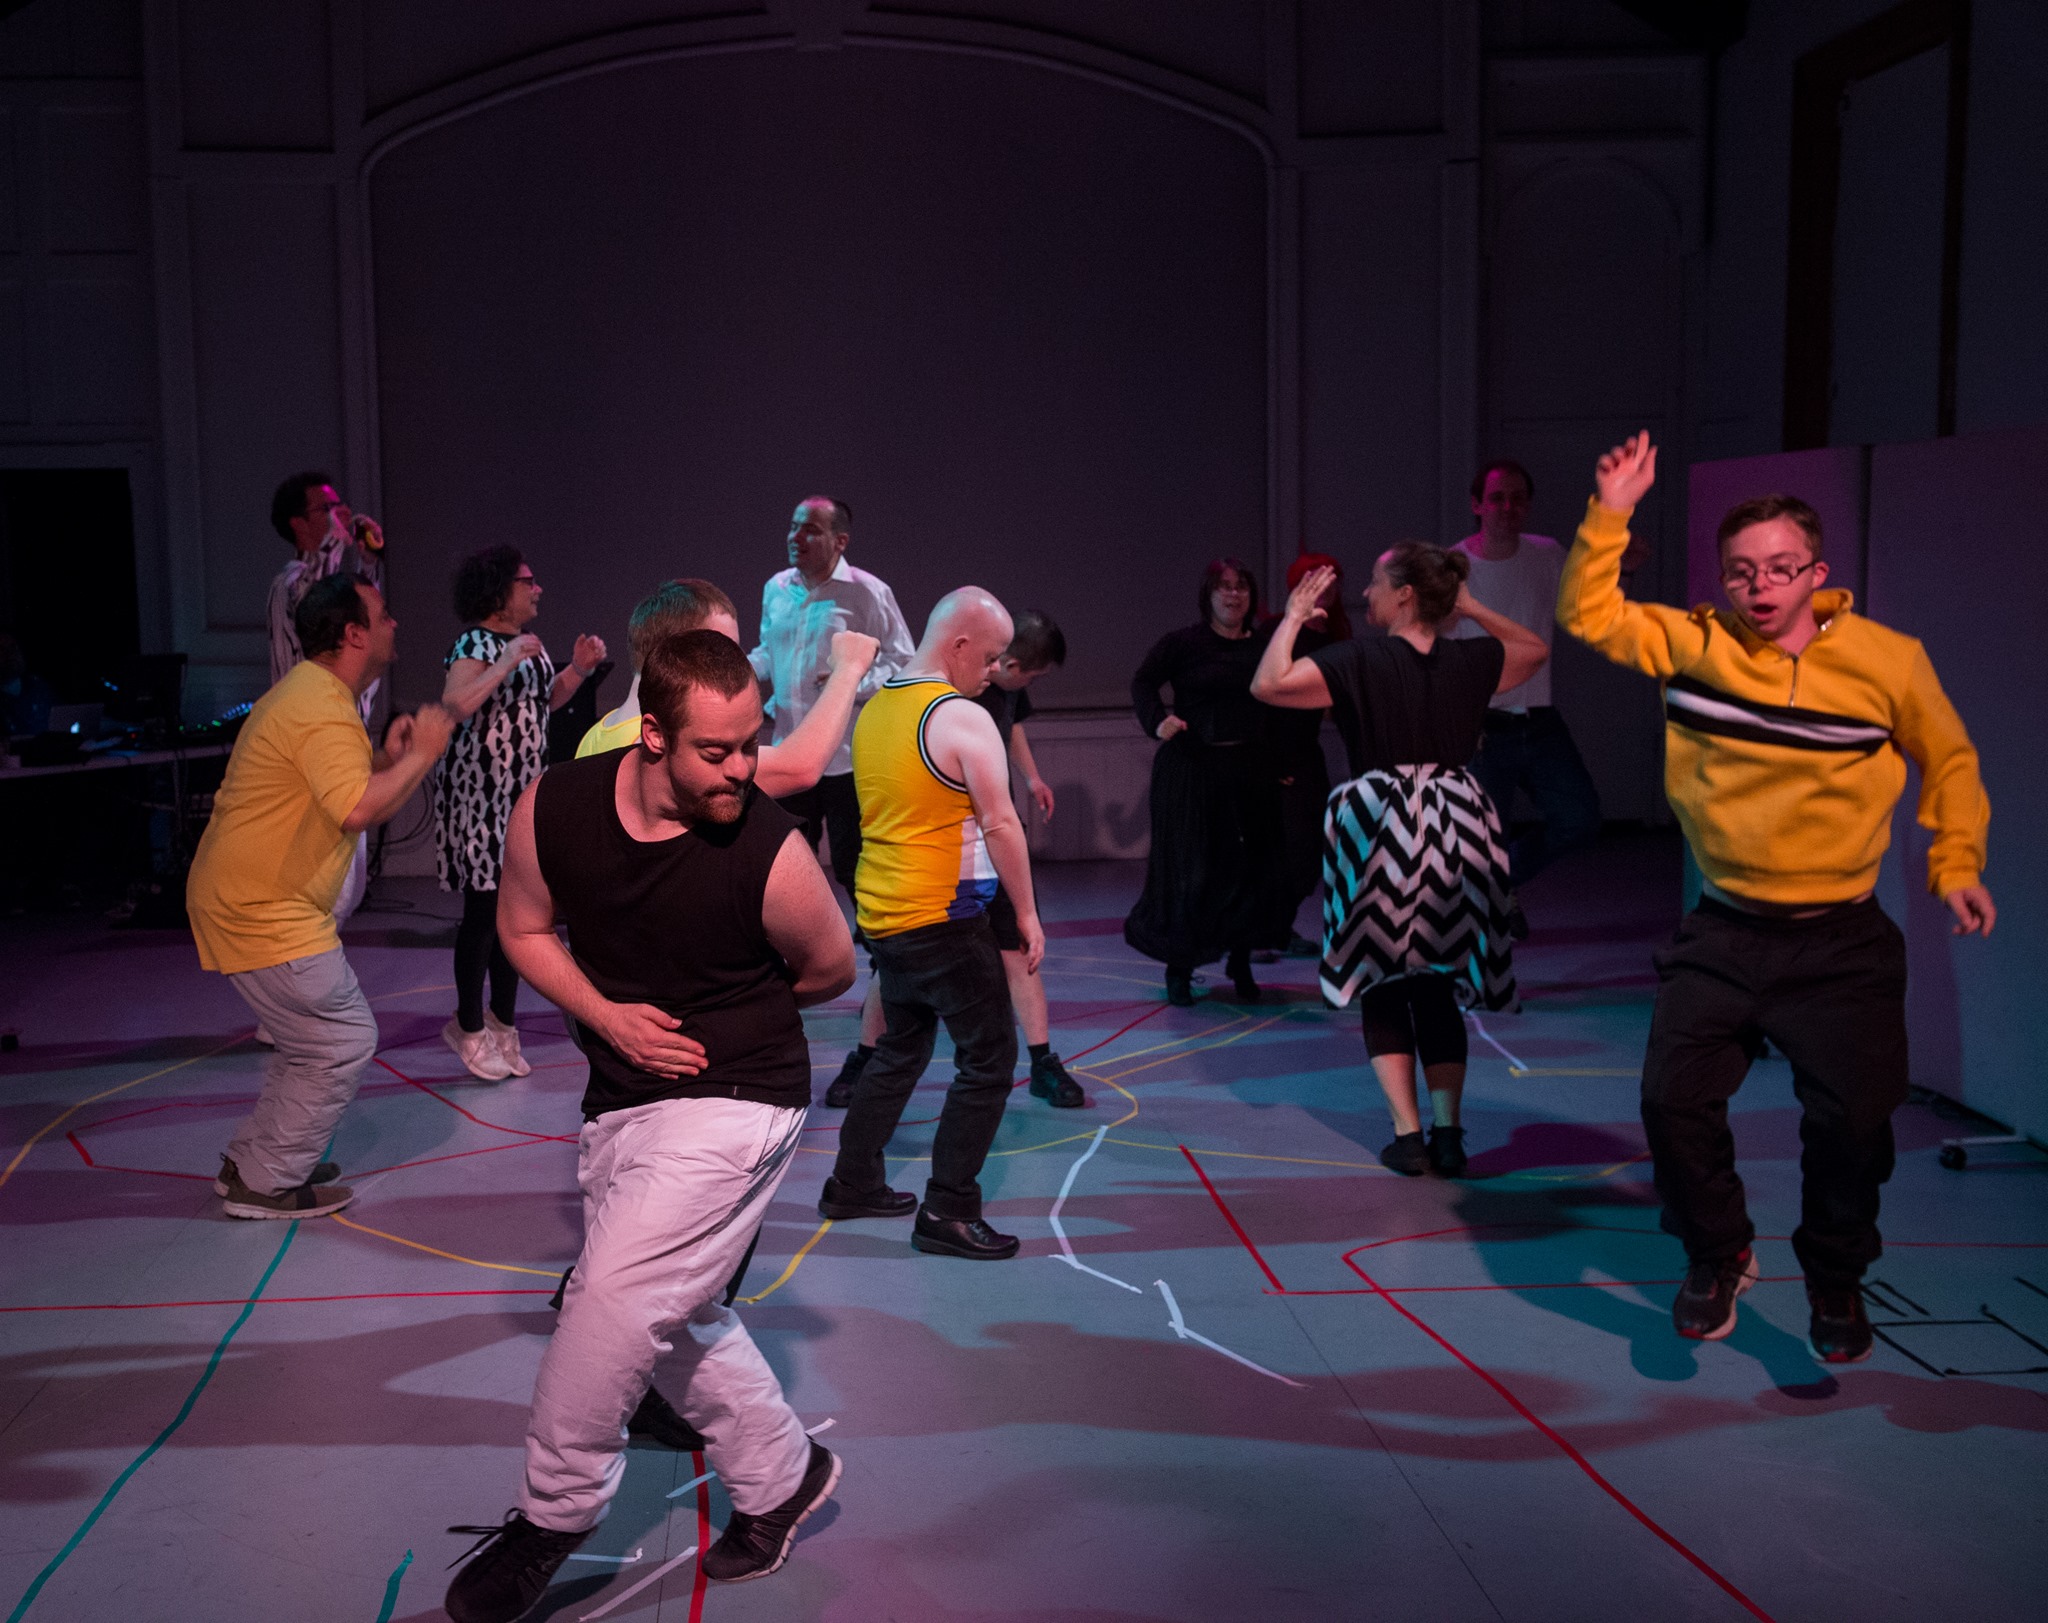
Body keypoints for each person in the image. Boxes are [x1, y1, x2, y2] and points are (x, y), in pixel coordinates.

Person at [443, 631, 853, 1621]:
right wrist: (608, 1015)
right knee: (675, 1315)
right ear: (654, 735)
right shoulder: (557, 806)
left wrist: (727, 1016)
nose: (743, 768)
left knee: (609, 1299)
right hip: (622, 1092)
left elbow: (832, 969)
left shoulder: (769, 850)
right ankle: (783, 1476)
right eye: (718, 750)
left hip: (742, 1093)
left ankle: (554, 1513)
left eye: (751, 742)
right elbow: (523, 929)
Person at [1557, 432, 1993, 1364]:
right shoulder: (1695, 643)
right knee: (1671, 1101)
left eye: (1781, 567)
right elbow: (1589, 613)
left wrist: (1956, 863)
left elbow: (1950, 758)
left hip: (1841, 942)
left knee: (1854, 1127)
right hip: (1725, 929)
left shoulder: (1888, 661)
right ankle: (1719, 1253)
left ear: (1817, 574)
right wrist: (1613, 511)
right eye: (1741, 571)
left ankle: (1836, 1275)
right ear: (1723, 579)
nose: (1760, 585)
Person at [1251, 547, 1545, 1176]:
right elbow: (1533, 649)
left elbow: (1268, 684)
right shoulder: (1470, 659)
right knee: (1436, 979)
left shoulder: (1358, 659)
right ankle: (1449, 1135)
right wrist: (1471, 606)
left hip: (1380, 823)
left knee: (1383, 977)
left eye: (1376, 581)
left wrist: (1294, 617)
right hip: (1453, 822)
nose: (1366, 592)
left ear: (1406, 593)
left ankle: (1408, 1137)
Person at [187, 572, 454, 1217]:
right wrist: (422, 755)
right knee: (340, 1039)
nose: (394, 623)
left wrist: (388, 761)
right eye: (382, 616)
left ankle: (255, 1161)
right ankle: (265, 1181)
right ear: (354, 634)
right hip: (261, 907)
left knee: (310, 1041)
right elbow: (356, 809)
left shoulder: (314, 695)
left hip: (251, 899)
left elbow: (337, 789)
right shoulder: (319, 706)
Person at [820, 588, 1045, 1260]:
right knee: (990, 1057)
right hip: (943, 918)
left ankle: (852, 1182)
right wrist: (1027, 913)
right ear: (960, 645)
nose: (996, 672)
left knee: (901, 1046)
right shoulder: (959, 717)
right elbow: (1001, 822)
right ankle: (948, 1208)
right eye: (993, 657)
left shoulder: (875, 708)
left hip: (884, 914)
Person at [750, 497, 914, 1102]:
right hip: (788, 754)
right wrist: (735, 670)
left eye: (811, 530)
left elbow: (901, 661)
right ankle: (779, 976)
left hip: (844, 759)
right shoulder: (776, 588)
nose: (796, 537)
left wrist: (851, 680)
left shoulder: (869, 592)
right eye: (794, 526)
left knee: (852, 867)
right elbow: (769, 653)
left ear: (840, 541)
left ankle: (882, 976)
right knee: (776, 865)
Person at [436, 545, 606, 1081]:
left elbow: (540, 701)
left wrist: (577, 671)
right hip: (479, 798)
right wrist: (506, 660)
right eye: (526, 582)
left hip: (518, 796)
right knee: (484, 913)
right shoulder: (475, 643)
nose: (537, 590)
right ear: (498, 590)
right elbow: (457, 703)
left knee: (516, 910)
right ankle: (468, 1026)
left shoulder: (526, 643)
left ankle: (503, 1021)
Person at [1449, 459, 1602, 935]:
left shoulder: (1547, 554)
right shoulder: (1455, 566)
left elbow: (1585, 609)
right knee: (1480, 834)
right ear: (1477, 505)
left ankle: (1501, 880)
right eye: (1497, 498)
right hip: (1481, 723)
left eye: (1517, 499)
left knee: (1579, 817)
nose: (1507, 507)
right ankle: (1484, 919)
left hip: (1537, 717)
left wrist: (1625, 571)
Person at [1124, 558, 1283, 1006]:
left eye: (1241, 587)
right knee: (1191, 872)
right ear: (1208, 595)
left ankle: (1241, 962)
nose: (1233, 595)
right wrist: (1157, 721)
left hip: (1248, 770)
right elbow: (1143, 681)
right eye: (1224, 587)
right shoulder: (1183, 643)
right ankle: (1180, 967)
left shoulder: (1265, 647)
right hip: (1192, 769)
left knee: (1247, 871)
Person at [578, 578, 879, 793]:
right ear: (672, 653)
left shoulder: (595, 736)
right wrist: (848, 669)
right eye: (721, 650)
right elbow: (798, 768)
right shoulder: (657, 748)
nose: (736, 662)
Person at [971, 609, 1085, 1107]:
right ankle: (867, 1057)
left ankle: (1041, 1061)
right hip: (948, 839)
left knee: (1019, 945)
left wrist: (1032, 777)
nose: (1030, 685)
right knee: (904, 961)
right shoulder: (958, 691)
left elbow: (1011, 722)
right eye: (1033, 677)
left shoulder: (1010, 689)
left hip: (999, 830)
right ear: (1011, 664)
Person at [265, 471, 388, 924]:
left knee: (348, 887)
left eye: (340, 507)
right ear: (298, 523)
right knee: (322, 888)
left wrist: (368, 564)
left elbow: (363, 626)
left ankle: (318, 957)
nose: (342, 515)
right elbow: (315, 609)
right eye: (328, 509)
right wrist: (338, 543)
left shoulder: (331, 585)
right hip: (309, 746)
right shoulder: (289, 582)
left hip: (343, 739)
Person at [1267, 554, 1349, 959]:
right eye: (1316, 580)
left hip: (1305, 752)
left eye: (1332, 581)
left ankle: (1276, 927)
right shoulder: (1278, 631)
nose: (1325, 588)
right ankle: (1265, 931)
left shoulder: (1336, 635)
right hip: (1274, 753)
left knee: (1314, 848)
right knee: (1282, 849)